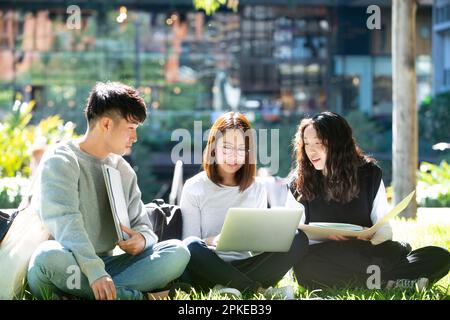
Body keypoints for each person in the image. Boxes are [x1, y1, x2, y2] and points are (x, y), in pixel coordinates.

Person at [27, 82, 190, 300]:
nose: (135, 138)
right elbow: (66, 222)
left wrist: (142, 239)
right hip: (68, 263)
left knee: (178, 251)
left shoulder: (123, 170)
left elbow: (143, 225)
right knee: (46, 257)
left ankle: (83, 295)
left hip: (109, 268)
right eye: (131, 129)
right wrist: (94, 272)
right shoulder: (61, 160)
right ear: (106, 124)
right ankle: (138, 297)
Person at [287, 111, 450, 290]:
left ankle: (382, 281)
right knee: (306, 268)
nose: (311, 150)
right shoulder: (298, 182)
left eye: (318, 143)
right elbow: (294, 235)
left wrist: (370, 239)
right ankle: (389, 282)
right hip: (325, 255)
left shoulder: (369, 174)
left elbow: (384, 228)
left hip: (366, 251)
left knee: (439, 255)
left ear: (338, 143)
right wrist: (325, 235)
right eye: (307, 143)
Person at [180, 111, 308, 297]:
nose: (234, 156)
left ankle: (232, 287)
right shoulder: (194, 187)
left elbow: (256, 247)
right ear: (213, 147)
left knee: (298, 238)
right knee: (191, 245)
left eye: (241, 149)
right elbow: (188, 245)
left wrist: (269, 238)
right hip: (208, 267)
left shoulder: (256, 188)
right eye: (227, 148)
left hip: (248, 265)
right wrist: (213, 240)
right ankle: (258, 290)